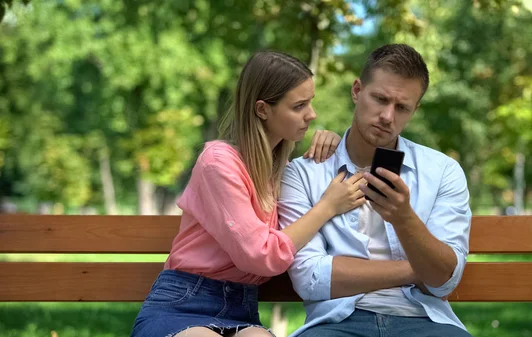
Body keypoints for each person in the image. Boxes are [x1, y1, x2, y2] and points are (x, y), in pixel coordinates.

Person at [130, 51, 367, 337]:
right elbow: (259, 255)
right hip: (184, 302)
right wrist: (327, 207)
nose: (312, 114)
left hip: (242, 308)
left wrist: (332, 149)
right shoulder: (218, 162)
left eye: (311, 102)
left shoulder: (281, 170)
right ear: (262, 109)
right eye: (299, 105)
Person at [278, 44, 473, 337]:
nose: (387, 116)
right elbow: (310, 277)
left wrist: (404, 218)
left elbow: (444, 282)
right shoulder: (306, 172)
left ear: (414, 110)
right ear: (357, 90)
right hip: (338, 322)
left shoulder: (442, 171)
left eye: (402, 107)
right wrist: (414, 270)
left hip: (423, 319)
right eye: (380, 99)